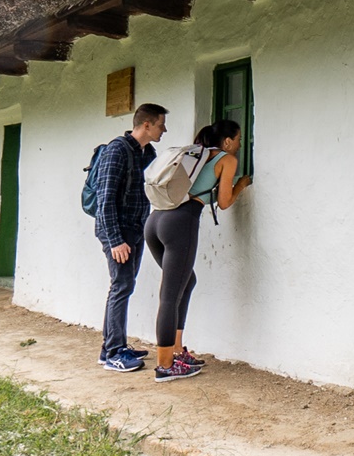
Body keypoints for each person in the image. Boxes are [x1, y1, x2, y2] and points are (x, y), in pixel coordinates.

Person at [144, 118, 250, 382]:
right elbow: (224, 202)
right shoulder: (226, 159)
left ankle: (176, 350)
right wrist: (241, 185)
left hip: (155, 221)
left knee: (187, 281)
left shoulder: (196, 154)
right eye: (238, 140)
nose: (239, 145)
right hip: (180, 223)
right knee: (170, 295)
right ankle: (165, 366)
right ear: (227, 141)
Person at [92, 103, 168, 372]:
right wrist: (115, 240)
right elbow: (105, 199)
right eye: (160, 125)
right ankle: (114, 353)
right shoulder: (117, 150)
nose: (164, 130)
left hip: (136, 228)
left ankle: (110, 348)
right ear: (146, 125)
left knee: (125, 285)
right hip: (118, 231)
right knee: (121, 286)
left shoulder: (147, 153)